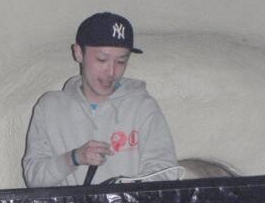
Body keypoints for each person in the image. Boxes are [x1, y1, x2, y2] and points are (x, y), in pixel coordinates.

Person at [23, 12, 181, 187]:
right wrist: (73, 158)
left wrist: (118, 195)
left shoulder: (143, 106)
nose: (111, 72)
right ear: (78, 53)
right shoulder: (50, 107)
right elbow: (34, 179)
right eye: (102, 59)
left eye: (121, 62)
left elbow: (166, 172)